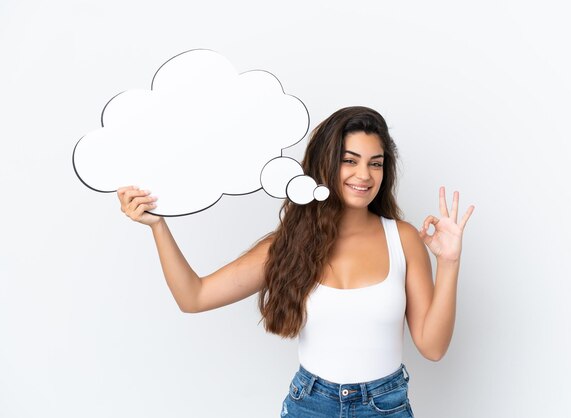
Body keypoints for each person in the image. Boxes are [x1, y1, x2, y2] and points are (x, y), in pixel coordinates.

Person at [117, 106, 475, 417]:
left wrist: (449, 262)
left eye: (375, 164)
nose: (364, 175)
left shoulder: (404, 238)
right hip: (310, 406)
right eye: (349, 160)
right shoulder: (289, 245)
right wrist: (158, 226)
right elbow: (193, 297)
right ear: (325, 164)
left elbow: (433, 346)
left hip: (386, 406)